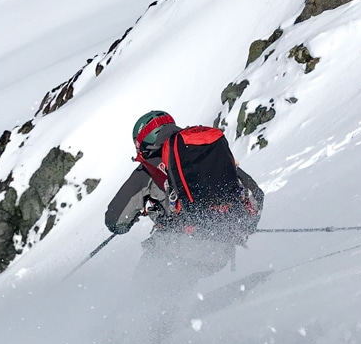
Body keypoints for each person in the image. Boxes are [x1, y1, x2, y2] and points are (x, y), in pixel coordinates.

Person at [104, 110, 263, 275]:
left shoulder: (149, 167)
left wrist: (127, 223)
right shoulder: (206, 153)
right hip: (222, 249)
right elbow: (255, 193)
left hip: (178, 249)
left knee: (140, 293)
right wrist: (242, 226)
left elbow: (115, 220)